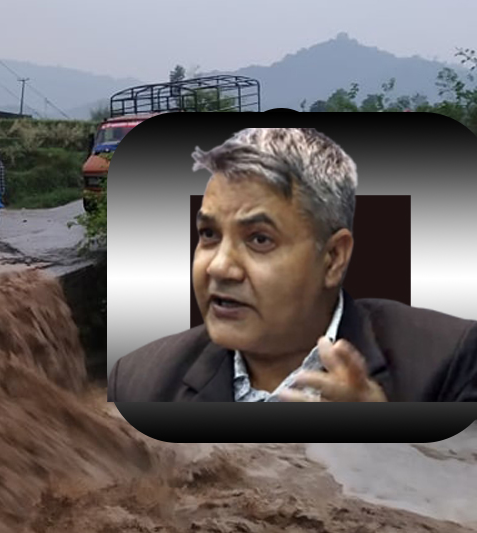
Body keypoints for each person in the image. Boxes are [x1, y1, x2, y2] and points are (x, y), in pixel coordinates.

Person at [108, 127, 477, 402]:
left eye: (259, 239)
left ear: (333, 258)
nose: (219, 268)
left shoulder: (450, 361)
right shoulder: (140, 382)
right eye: (208, 235)